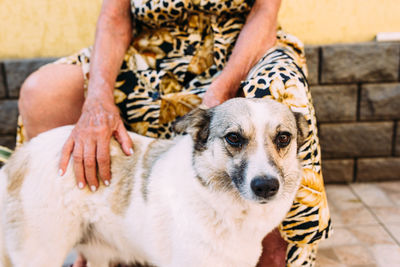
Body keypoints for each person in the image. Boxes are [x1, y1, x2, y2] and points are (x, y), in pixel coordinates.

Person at [18, 0, 331, 266]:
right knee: (43, 91)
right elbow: (114, 17)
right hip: (148, 52)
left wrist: (221, 93)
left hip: (239, 46)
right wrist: (98, 99)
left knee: (277, 95)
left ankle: (274, 248)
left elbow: (265, 11)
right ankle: (89, 228)